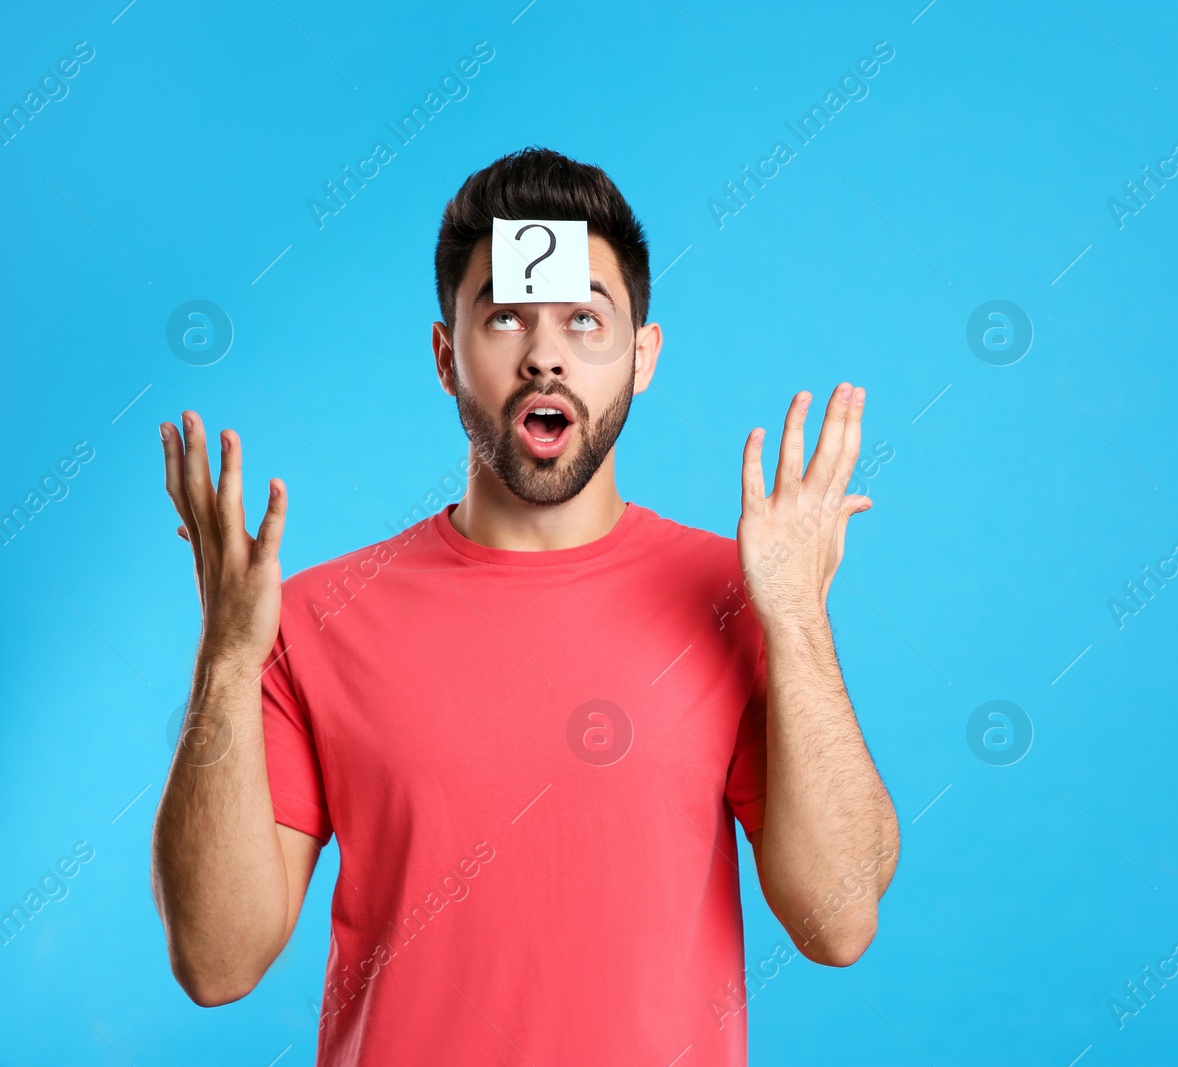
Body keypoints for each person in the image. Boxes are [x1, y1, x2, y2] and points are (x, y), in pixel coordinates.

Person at [150, 146, 899, 1065]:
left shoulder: (737, 601)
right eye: (505, 316)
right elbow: (216, 961)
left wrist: (799, 622)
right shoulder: (307, 620)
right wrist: (226, 656)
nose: (545, 354)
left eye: (585, 319)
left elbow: (840, 921)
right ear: (444, 353)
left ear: (643, 354)